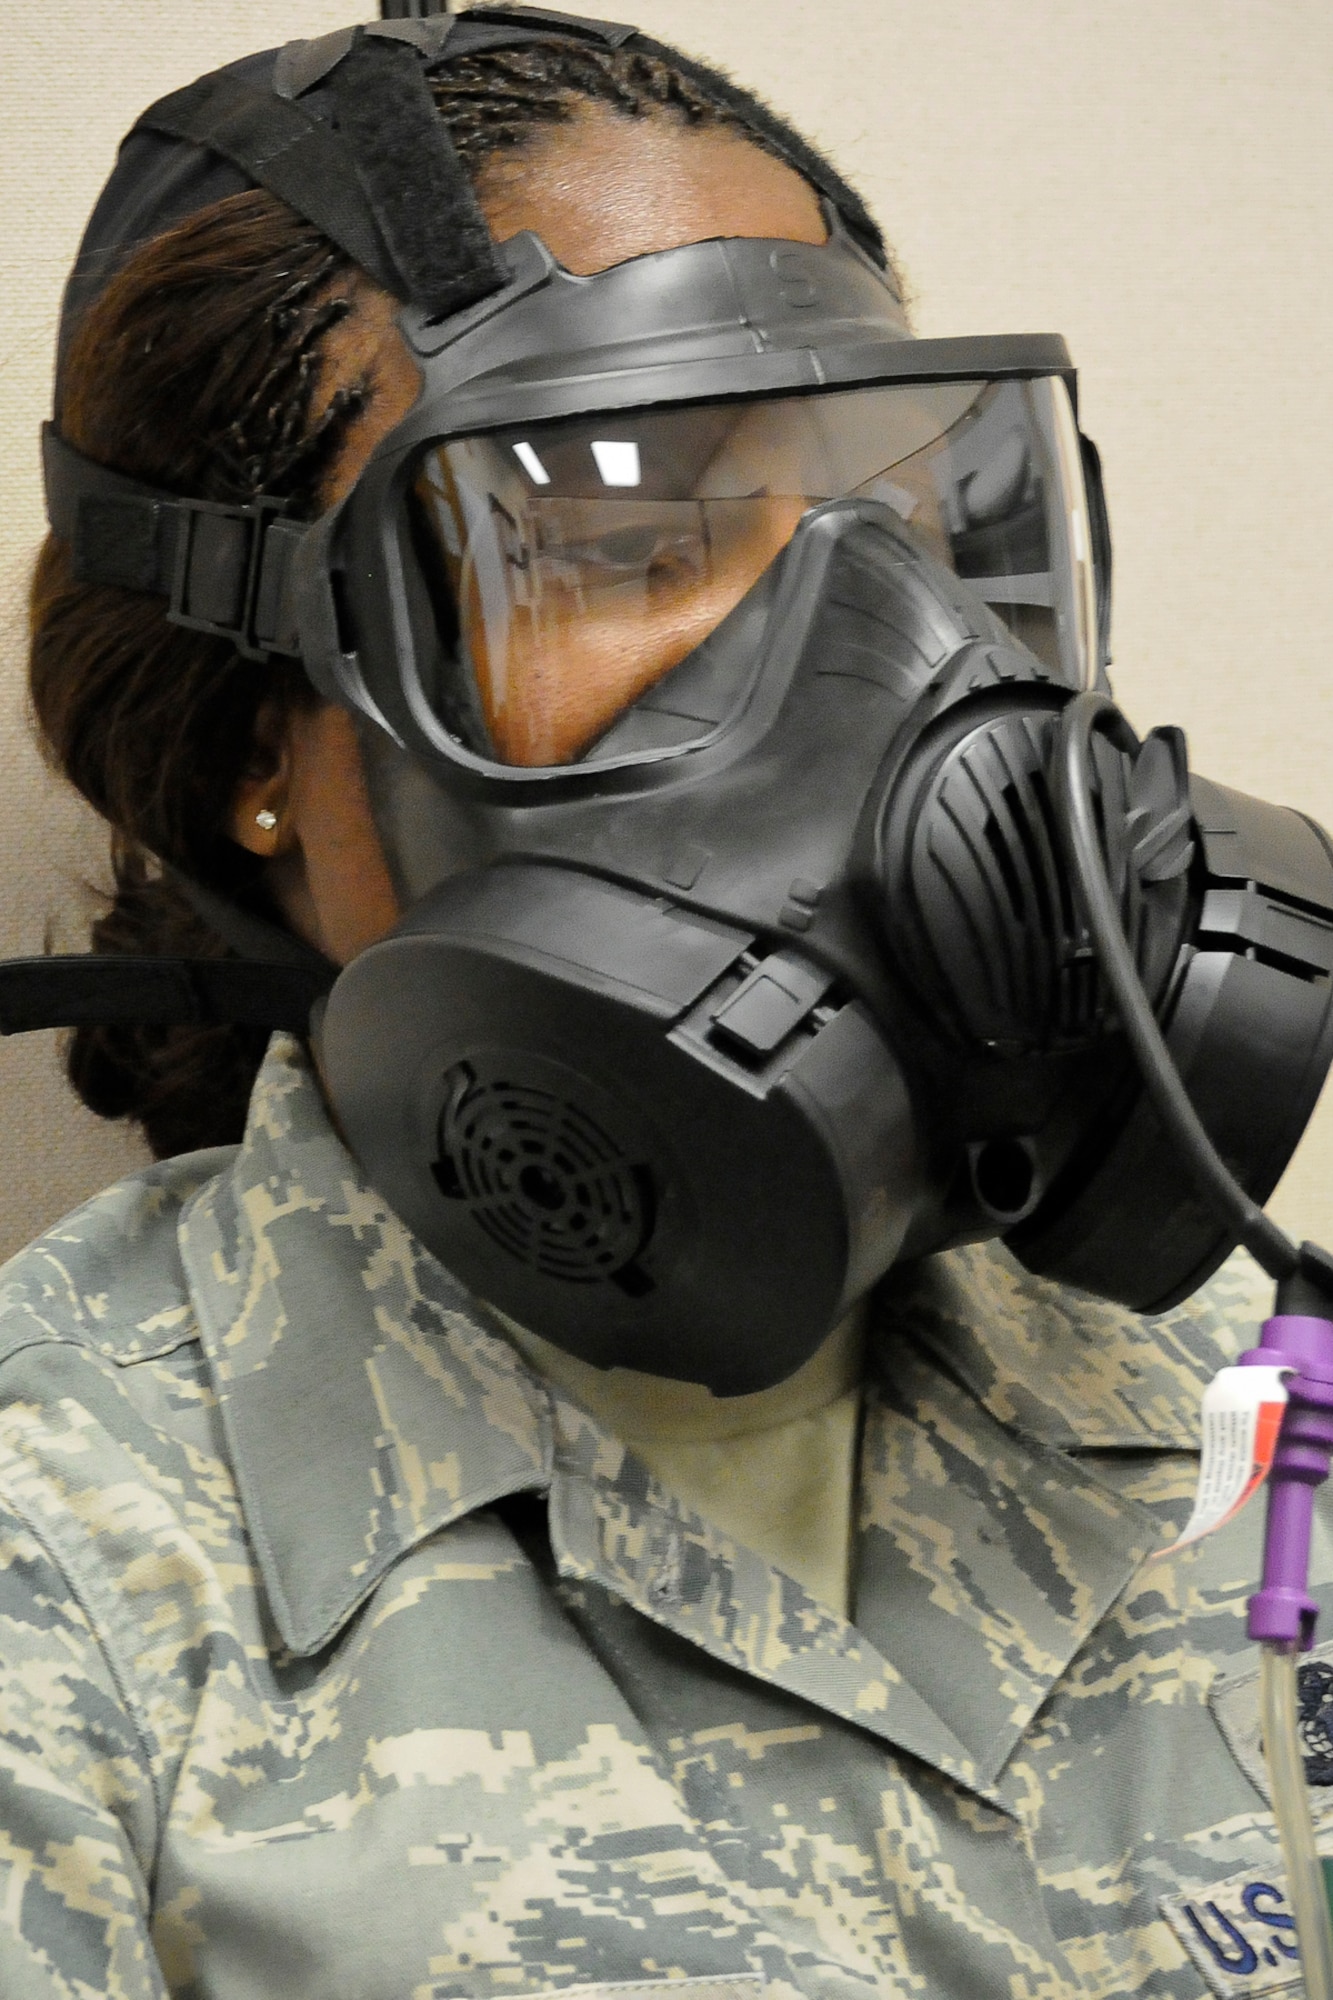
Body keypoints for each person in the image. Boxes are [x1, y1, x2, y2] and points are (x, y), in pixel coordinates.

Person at [0, 11, 1322, 1998]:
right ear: (244, 733)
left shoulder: (1234, 1399)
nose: (883, 658)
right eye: (622, 534)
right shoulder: (67, 1548)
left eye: (903, 522)